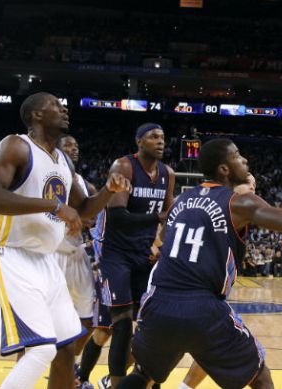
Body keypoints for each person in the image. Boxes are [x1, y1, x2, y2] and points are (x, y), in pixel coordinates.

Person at [115, 138, 282, 389]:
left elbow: (162, 243)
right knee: (260, 378)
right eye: (237, 156)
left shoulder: (183, 199)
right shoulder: (239, 202)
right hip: (202, 306)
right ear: (224, 169)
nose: (244, 160)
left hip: (159, 301)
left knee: (143, 375)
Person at [0, 92, 130, 389]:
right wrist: (53, 205)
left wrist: (108, 191)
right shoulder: (16, 146)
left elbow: (83, 210)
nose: (64, 108)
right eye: (56, 105)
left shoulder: (63, 162)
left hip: (44, 260)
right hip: (8, 254)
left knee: (65, 348)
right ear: (36, 115)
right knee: (41, 350)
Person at [96, 124, 176, 389]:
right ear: (139, 141)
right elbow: (117, 215)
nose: (160, 141)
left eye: (163, 137)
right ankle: (116, 383)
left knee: (152, 323)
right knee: (121, 324)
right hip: (116, 254)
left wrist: (160, 245)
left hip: (145, 255)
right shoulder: (124, 167)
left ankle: (150, 382)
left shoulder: (168, 173)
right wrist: (156, 218)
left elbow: (169, 217)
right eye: (154, 136)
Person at [54, 135, 100, 379]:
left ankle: (67, 363)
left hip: (76, 252)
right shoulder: (46, 176)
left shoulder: (84, 184)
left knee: (89, 320)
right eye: (68, 144)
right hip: (50, 253)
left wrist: (82, 218)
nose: (74, 148)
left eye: (76, 145)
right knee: (49, 319)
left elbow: (93, 217)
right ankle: (54, 365)